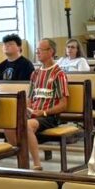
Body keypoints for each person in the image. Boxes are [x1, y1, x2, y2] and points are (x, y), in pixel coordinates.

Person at [25, 38, 69, 171]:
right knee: (10, 124)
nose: (37, 52)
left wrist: (43, 112)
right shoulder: (35, 73)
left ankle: (37, 165)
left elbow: (63, 105)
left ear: (51, 51)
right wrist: (27, 109)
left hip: (49, 116)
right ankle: (21, 159)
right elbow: (30, 98)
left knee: (27, 125)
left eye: (40, 50)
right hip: (34, 113)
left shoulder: (58, 74)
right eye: (36, 50)